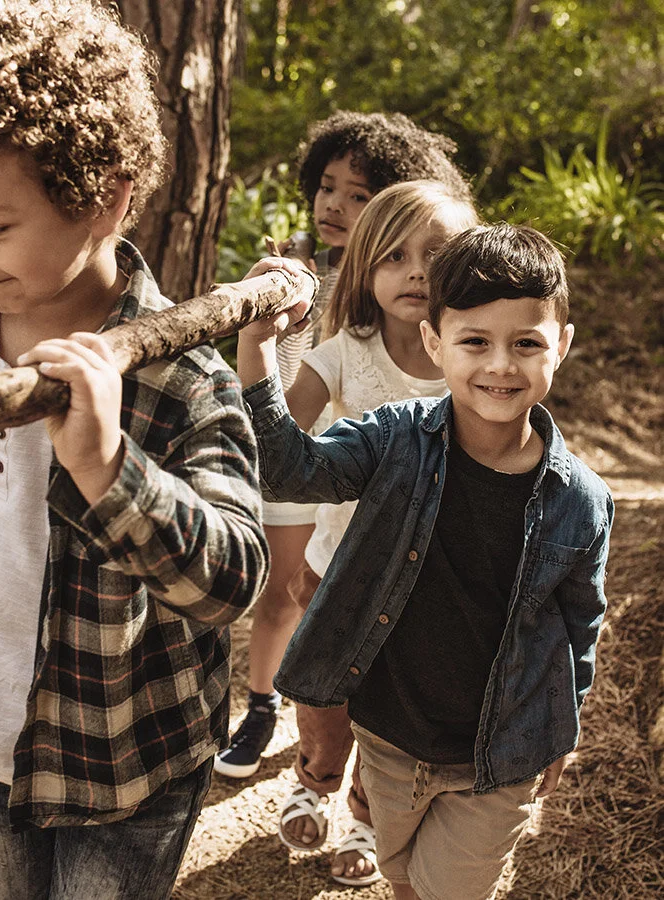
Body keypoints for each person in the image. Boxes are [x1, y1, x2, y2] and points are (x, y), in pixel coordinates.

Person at [0, 3, 269, 898]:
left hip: (127, 759)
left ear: (107, 198)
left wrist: (107, 466)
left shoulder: (180, 377)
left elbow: (233, 580)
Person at [237, 223, 614, 900]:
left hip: (499, 752)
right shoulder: (394, 440)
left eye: (526, 344)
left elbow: (579, 623)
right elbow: (288, 471)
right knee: (403, 876)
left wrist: (564, 726)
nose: (501, 365)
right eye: (475, 342)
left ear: (560, 345)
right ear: (436, 342)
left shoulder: (581, 501)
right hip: (388, 735)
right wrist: (259, 344)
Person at [215, 111, 473, 782]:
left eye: (358, 195)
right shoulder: (300, 271)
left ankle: (364, 798)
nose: (335, 204)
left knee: (389, 689)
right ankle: (277, 724)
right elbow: (284, 430)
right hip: (322, 492)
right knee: (293, 608)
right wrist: (266, 325)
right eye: (327, 187)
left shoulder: (466, 346)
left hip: (414, 552)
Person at [271, 181, 479, 888]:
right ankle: (315, 774)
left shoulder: (472, 356)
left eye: (436, 255)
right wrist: (272, 340)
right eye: (394, 256)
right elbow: (283, 433)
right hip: (337, 570)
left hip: (429, 584)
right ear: (364, 266)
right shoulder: (344, 352)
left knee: (390, 717)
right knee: (324, 699)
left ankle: (365, 814)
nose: (416, 272)